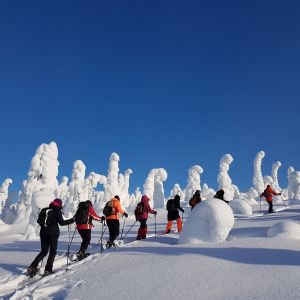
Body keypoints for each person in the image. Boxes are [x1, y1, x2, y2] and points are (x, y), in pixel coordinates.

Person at [27, 198, 74, 277]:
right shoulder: (57, 210)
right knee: (52, 252)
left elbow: (40, 221)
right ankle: (48, 270)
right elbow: (62, 223)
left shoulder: (45, 210)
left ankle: (32, 267)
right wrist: (71, 220)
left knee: (44, 251)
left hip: (43, 232)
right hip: (53, 233)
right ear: (59, 204)